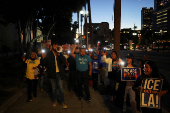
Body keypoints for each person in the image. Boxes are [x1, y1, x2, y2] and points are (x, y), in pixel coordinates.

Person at [45, 41, 67, 108]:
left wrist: (59, 55)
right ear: (51, 47)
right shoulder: (49, 54)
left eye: (56, 46)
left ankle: (62, 102)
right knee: (54, 88)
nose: (56, 47)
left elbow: (63, 61)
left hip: (59, 74)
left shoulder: (59, 53)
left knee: (61, 88)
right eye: (54, 46)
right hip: (52, 73)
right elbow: (46, 63)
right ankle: (55, 100)